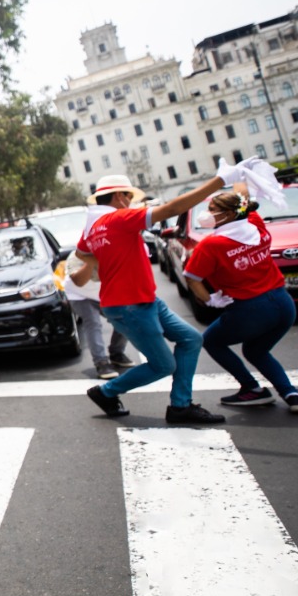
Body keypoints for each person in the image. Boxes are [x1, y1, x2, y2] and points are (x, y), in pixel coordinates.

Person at [80, 162, 257, 424]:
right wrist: (220, 181)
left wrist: (111, 266)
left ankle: (180, 406)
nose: (131, 202)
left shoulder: (95, 225)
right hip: (130, 306)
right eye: (129, 197)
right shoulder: (120, 218)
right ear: (119, 196)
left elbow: (82, 253)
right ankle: (106, 392)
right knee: (162, 365)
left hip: (143, 300)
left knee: (191, 339)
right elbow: (172, 209)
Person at [183, 184, 298, 414]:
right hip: (283, 303)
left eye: (212, 209)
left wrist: (210, 300)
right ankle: (292, 395)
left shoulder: (211, 244)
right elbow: (243, 198)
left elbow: (192, 278)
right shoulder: (254, 224)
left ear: (228, 214)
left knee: (212, 341)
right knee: (256, 351)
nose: (207, 213)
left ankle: (251, 388)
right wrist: (237, 177)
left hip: (250, 309)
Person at [63, 252, 133, 378]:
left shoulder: (115, 253)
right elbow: (79, 281)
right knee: (93, 322)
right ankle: (101, 362)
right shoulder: (76, 257)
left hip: (102, 293)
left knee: (125, 318)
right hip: (79, 294)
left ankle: (116, 353)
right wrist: (90, 261)